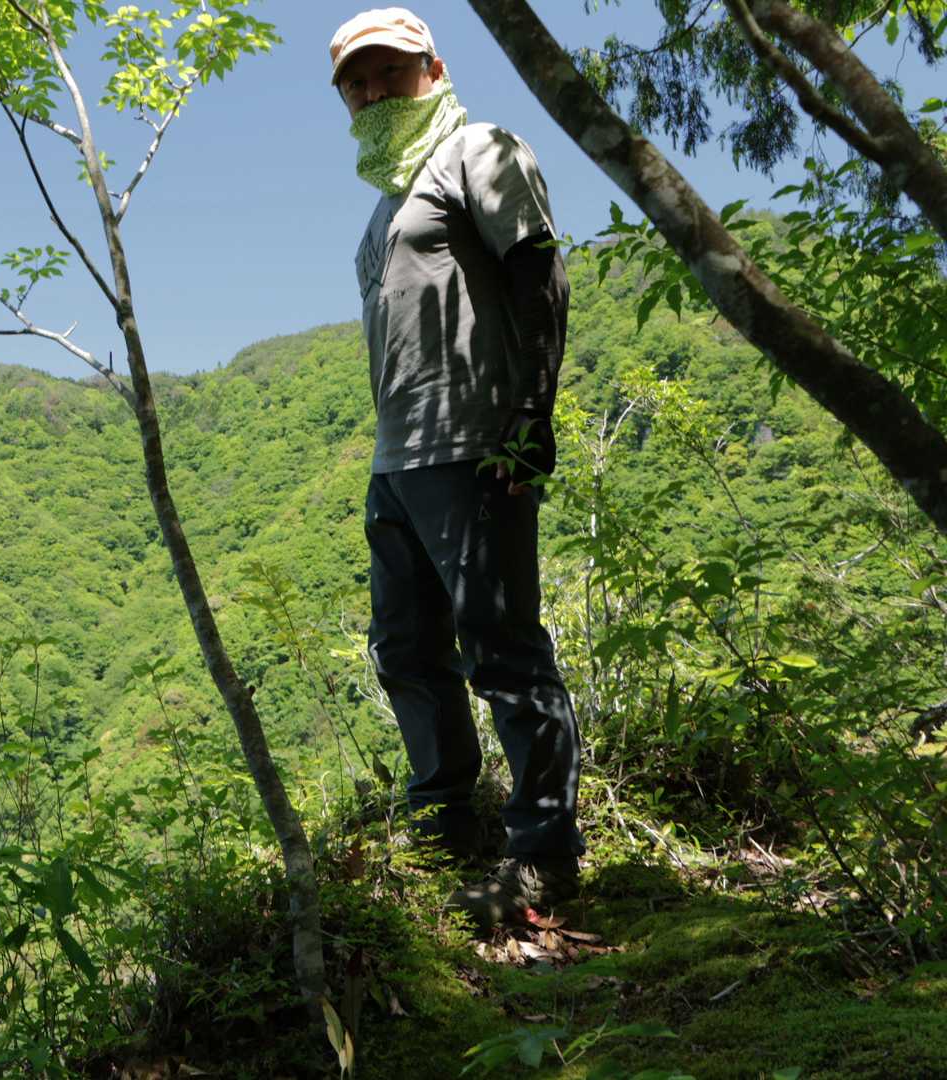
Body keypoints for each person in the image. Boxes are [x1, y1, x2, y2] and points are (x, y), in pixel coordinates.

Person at [329, 8, 586, 930]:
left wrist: (531, 418)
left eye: (389, 72)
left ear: (433, 69)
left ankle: (544, 851)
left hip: (475, 445)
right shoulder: (384, 204)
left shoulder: (480, 149)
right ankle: (444, 825)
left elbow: (540, 274)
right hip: (396, 461)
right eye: (356, 82)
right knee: (405, 649)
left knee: (502, 645)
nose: (373, 92)